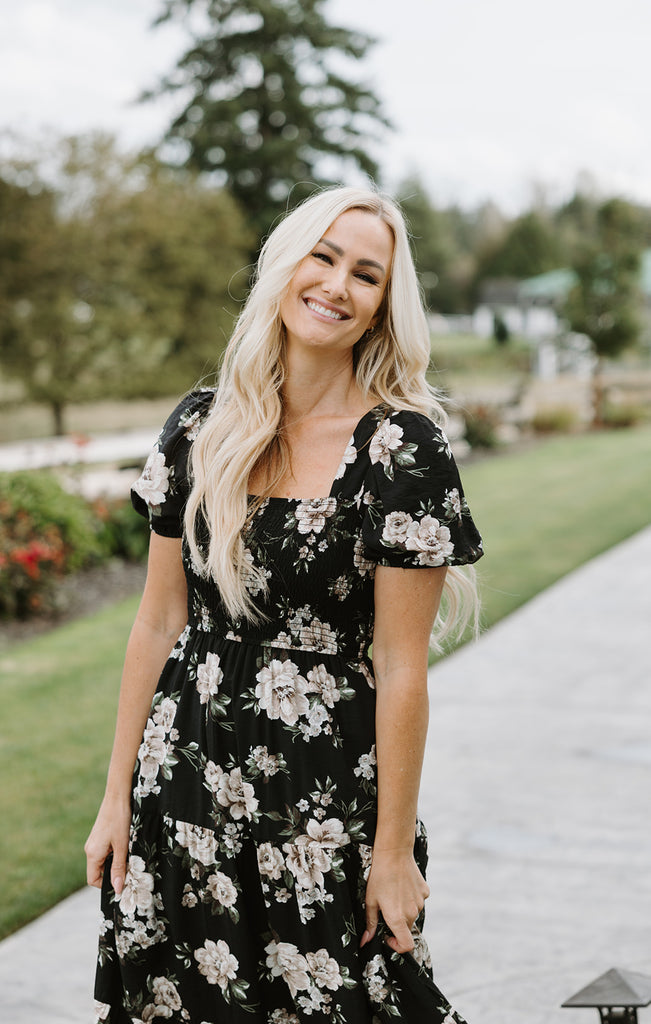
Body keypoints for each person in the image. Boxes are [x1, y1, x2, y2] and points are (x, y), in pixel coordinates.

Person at [85, 185, 483, 1024]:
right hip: (183, 782)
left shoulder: (399, 447)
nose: (337, 285)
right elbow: (159, 622)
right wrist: (115, 797)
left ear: (381, 307)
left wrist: (389, 851)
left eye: (365, 275)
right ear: (285, 266)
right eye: (323, 257)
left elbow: (400, 663)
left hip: (325, 798)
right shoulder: (201, 428)